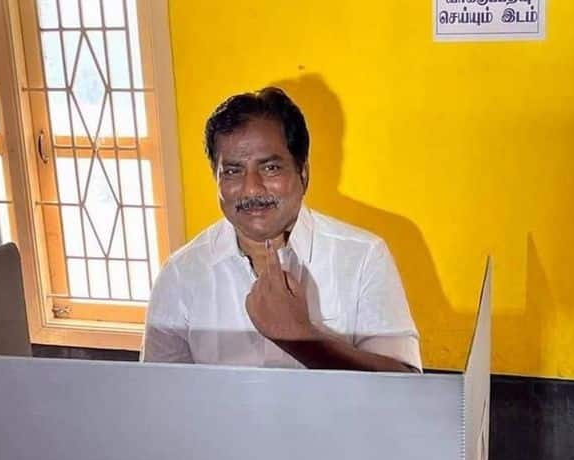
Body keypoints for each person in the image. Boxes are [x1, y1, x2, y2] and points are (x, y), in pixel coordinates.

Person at [141, 87, 421, 372]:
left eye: (271, 168)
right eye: (233, 171)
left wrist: (302, 338)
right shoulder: (181, 273)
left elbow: (404, 384)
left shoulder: (362, 257)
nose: (251, 188)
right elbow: (159, 397)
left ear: (303, 173)